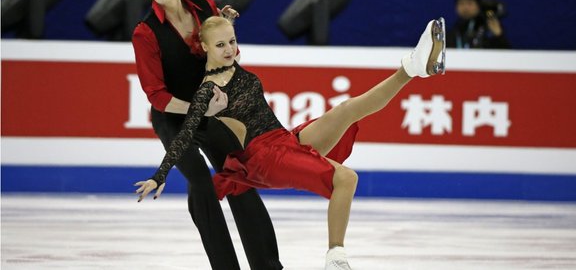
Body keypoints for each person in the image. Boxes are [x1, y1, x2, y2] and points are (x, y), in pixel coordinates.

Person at [135, 16, 447, 269]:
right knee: (346, 178)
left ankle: (413, 67)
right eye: (220, 45)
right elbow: (186, 132)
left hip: (284, 139)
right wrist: (159, 175)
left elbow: (219, 34)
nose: (230, 49)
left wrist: (224, 21)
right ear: (204, 47)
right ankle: (335, 257)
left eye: (232, 41)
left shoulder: (231, 65)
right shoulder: (208, 91)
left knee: (347, 109)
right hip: (264, 159)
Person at [131, 0, 283, 269]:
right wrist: (200, 108)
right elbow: (156, 95)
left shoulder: (205, 5)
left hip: (212, 112)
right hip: (173, 117)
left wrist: (227, 30)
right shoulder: (145, 33)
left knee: (238, 177)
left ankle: (268, 265)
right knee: (201, 182)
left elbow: (225, 51)